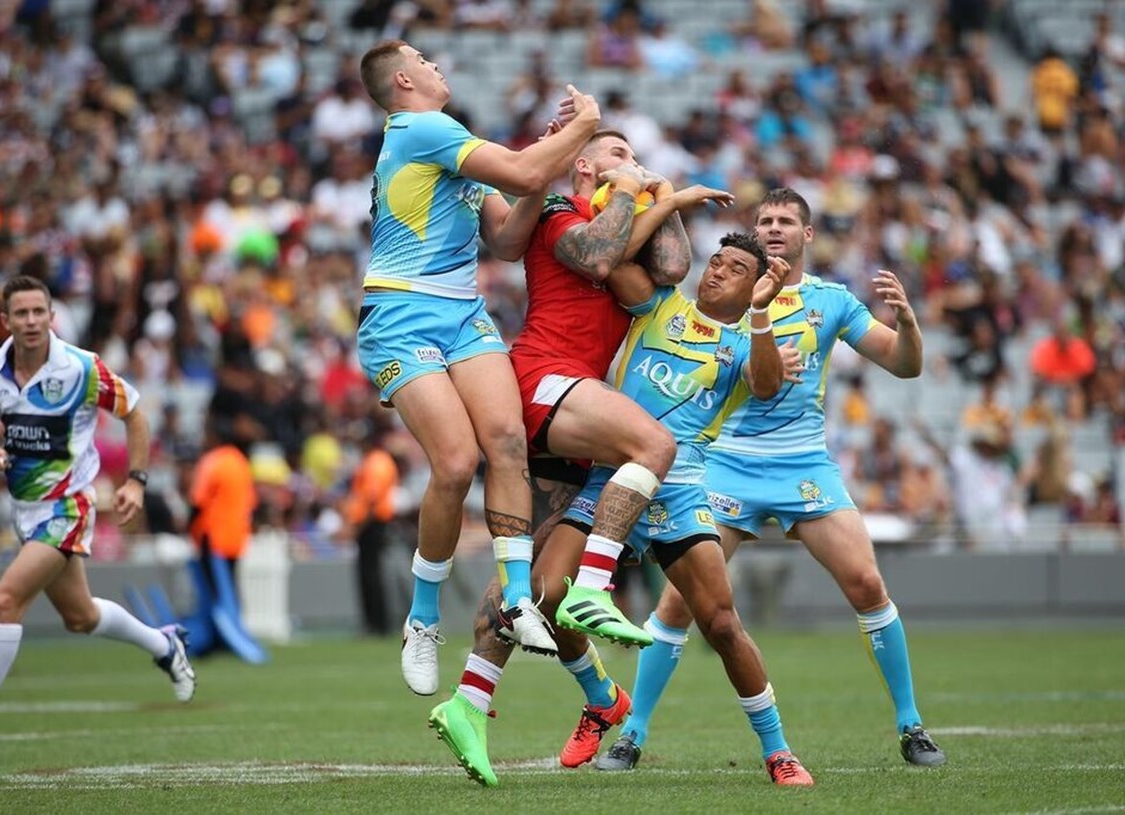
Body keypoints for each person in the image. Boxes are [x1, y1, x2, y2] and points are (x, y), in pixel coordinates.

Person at [596, 187, 947, 772]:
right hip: (726, 462)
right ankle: (632, 734)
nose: (775, 228)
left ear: (808, 234)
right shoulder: (726, 298)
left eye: (786, 220)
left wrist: (908, 325)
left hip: (802, 463)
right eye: (765, 220)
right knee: (680, 603)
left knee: (866, 583)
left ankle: (912, 725)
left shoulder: (831, 302)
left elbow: (904, 364)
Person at [428, 130, 733, 785]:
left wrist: (664, 196)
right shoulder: (556, 209)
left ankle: (474, 700)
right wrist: (644, 191)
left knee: (534, 586)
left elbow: (672, 266)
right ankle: (598, 589)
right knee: (654, 444)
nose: (631, 162)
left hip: (575, 406)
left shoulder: (625, 226)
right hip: (543, 379)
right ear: (584, 164)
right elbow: (596, 257)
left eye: (634, 155)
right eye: (617, 153)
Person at [358, 39, 602, 694]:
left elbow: (507, 237)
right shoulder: (422, 129)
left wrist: (543, 163)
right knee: (456, 462)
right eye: (424, 60)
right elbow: (520, 173)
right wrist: (582, 126)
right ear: (403, 80)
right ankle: (422, 618)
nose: (438, 65)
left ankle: (517, 599)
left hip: (462, 314)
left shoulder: (449, 141)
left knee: (506, 440)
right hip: (401, 315)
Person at [0, 276, 196, 761]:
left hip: (69, 506)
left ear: (52, 316)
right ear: (5, 320)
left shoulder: (80, 368)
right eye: (21, 313)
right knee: (80, 616)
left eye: (39, 312)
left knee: (5, 601)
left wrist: (135, 481)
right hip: (25, 512)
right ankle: (163, 644)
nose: (31, 321)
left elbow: (135, 413)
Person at [188, 417, 257, 608]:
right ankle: (234, 619)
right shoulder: (240, 462)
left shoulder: (212, 461)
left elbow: (198, 500)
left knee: (213, 591)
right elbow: (251, 502)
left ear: (214, 437)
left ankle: (219, 624)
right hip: (237, 537)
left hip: (212, 535)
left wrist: (188, 527)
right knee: (230, 587)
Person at [342, 431, 400, 636]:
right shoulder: (376, 460)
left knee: (370, 574)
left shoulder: (376, 462)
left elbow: (371, 498)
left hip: (372, 522)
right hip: (372, 521)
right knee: (370, 573)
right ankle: (375, 622)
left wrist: (356, 527)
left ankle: (377, 623)